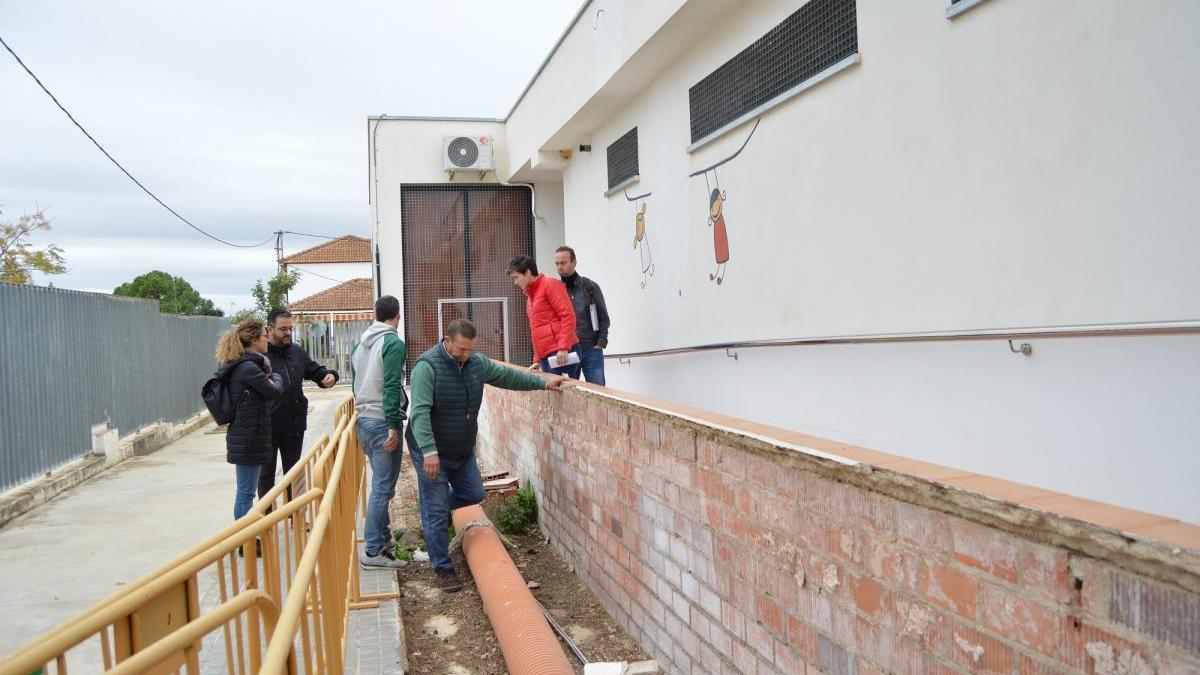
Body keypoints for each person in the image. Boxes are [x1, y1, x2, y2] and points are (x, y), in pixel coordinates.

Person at [406, 319, 566, 592]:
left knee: (474, 493)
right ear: (447, 340)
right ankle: (442, 568)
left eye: (470, 349)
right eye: (460, 349)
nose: (465, 354)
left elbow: (509, 377)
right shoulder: (427, 367)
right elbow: (419, 412)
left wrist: (543, 383)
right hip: (432, 452)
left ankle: (437, 512)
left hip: (462, 450)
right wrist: (429, 452)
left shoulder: (476, 364)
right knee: (434, 510)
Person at [352, 295, 411, 570]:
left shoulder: (360, 344)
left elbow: (355, 383)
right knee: (382, 488)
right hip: (382, 421)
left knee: (380, 486)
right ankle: (373, 550)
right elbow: (391, 385)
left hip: (363, 420)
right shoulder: (392, 342)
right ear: (397, 316)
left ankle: (384, 543)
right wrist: (391, 424)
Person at [260, 309, 339, 499]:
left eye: (290, 328)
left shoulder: (297, 352)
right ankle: (267, 522)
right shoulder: (260, 356)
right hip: (266, 427)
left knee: (295, 474)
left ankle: (297, 518)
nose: (288, 333)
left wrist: (330, 376)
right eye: (283, 329)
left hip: (294, 424)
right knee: (265, 476)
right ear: (269, 330)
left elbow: (316, 372)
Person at [213, 318, 283, 521]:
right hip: (249, 438)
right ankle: (245, 541)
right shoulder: (247, 368)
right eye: (264, 335)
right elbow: (273, 391)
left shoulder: (246, 364)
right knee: (246, 493)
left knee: (246, 491)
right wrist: (276, 376)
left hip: (249, 435)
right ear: (253, 339)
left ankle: (247, 538)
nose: (267, 339)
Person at [507, 255, 580, 378]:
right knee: (552, 393)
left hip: (561, 352)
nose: (515, 282)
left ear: (528, 272)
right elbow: (536, 329)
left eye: (516, 277)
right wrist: (537, 359)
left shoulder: (550, 284)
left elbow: (568, 316)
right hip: (548, 355)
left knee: (565, 393)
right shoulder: (530, 296)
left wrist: (563, 348)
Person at [554, 246, 611, 385]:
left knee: (599, 392)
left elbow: (603, 317)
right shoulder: (555, 289)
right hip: (568, 351)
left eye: (563, 263)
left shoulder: (589, 286)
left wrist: (600, 344)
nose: (560, 267)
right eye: (557, 263)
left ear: (574, 263)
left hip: (591, 349)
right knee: (569, 391)